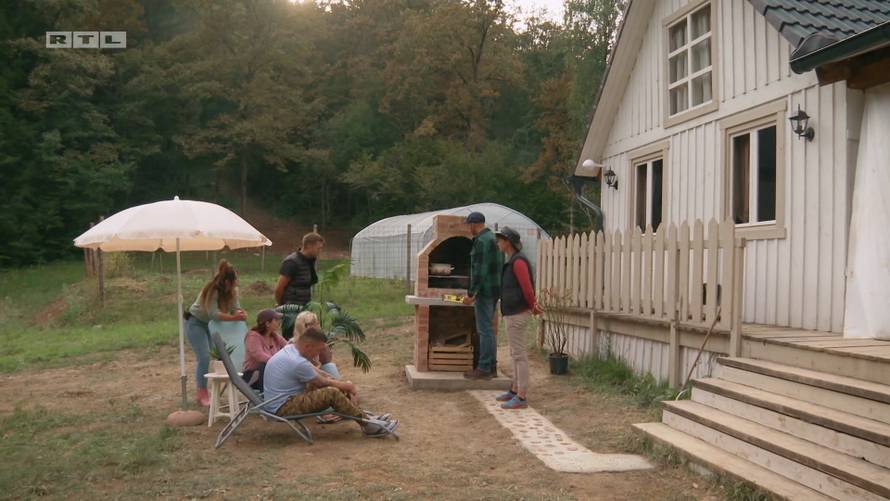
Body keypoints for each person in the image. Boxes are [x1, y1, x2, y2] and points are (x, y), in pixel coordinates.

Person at [263, 326, 398, 437]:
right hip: (282, 408)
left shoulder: (290, 350)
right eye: (319, 349)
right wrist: (348, 386)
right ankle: (368, 426)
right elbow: (322, 383)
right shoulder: (297, 362)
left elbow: (319, 373)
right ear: (308, 346)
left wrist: (342, 385)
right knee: (331, 393)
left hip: (282, 400)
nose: (319, 353)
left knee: (330, 384)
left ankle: (367, 418)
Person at [494, 227, 543, 409]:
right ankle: (514, 390)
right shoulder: (512, 260)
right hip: (512, 313)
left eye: (500, 239)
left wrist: (533, 305)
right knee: (515, 354)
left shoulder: (518, 262)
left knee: (520, 355)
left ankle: (521, 397)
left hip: (517, 313)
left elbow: (527, 288)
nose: (498, 243)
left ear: (508, 242)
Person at [186, 260, 247, 407]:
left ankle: (216, 390)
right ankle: (202, 394)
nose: (235, 286)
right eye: (234, 283)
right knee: (204, 357)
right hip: (195, 322)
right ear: (227, 282)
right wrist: (234, 317)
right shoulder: (212, 290)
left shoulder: (232, 291)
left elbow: (235, 308)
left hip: (211, 326)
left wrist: (240, 313)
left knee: (221, 356)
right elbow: (213, 314)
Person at [462, 212, 504, 380]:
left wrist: (472, 294)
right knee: (489, 330)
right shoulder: (494, 239)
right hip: (494, 291)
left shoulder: (481, 241)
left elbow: (480, 271)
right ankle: (492, 366)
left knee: (484, 330)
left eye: (469, 225)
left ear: (474, 224)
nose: (469, 229)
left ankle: (484, 368)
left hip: (484, 292)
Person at [275, 232, 324, 310]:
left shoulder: (309, 261)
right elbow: (279, 288)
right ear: (308, 246)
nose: (319, 251)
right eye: (318, 248)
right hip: (291, 308)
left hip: (304, 306)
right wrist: (282, 306)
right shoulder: (291, 262)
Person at [242, 309, 288, 391]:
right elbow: (259, 355)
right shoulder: (253, 336)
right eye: (276, 320)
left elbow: (289, 347)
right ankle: (266, 396)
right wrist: (279, 362)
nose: (279, 322)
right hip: (253, 375)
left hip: (273, 372)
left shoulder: (274, 336)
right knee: (265, 364)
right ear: (267, 323)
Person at [293, 310, 339, 379]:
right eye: (313, 324)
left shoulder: (315, 343)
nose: (317, 326)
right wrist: (326, 362)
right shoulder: (294, 345)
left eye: (317, 323)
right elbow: (304, 367)